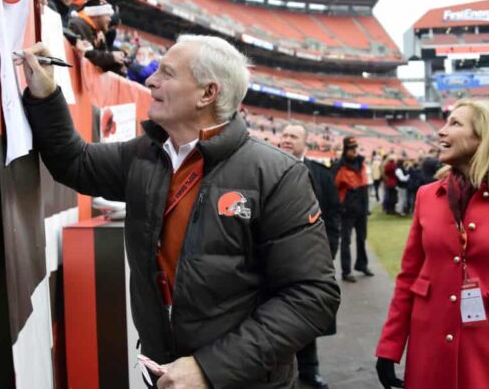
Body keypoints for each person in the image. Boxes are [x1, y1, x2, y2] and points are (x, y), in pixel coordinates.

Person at [18, 35, 340, 389]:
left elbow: (311, 296)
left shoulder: (276, 174)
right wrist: (46, 94)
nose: (150, 80)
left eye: (167, 73)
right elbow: (75, 163)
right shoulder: (145, 155)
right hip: (164, 374)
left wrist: (209, 368)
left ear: (207, 93)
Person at [375, 99, 489, 389]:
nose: (441, 132)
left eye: (455, 124)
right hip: (429, 355)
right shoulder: (426, 196)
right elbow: (409, 277)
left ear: (485, 138)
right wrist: (390, 347)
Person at [280, 124, 340, 389]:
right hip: (274, 257)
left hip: (311, 258)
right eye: (284, 135)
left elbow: (334, 214)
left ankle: (309, 370)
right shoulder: (262, 167)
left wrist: (330, 251)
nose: (286, 140)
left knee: (306, 313)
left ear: (305, 143)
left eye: (293, 136)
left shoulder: (322, 174)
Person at [333, 137, 374, 281]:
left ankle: (362, 265)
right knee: (346, 241)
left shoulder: (362, 163)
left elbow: (365, 186)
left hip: (362, 209)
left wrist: (367, 208)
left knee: (362, 238)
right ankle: (346, 271)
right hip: (347, 211)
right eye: (351, 148)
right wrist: (340, 208)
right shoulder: (340, 167)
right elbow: (334, 189)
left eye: (356, 147)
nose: (355, 150)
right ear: (346, 149)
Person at [68, 0, 126, 74]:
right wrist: (111, 57)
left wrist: (117, 62)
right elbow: (85, 54)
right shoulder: (78, 25)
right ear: (97, 14)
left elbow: (101, 59)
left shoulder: (97, 33)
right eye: (108, 15)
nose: (110, 20)